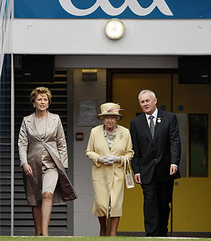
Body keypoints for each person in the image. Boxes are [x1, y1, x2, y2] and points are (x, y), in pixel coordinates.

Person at [18, 86, 77, 236]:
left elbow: (62, 143)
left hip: (52, 164)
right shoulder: (27, 120)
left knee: (47, 194)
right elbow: (22, 143)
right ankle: (38, 234)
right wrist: (24, 163)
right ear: (34, 102)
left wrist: (63, 166)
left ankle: (45, 234)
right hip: (32, 164)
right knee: (35, 200)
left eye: (45, 99)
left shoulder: (55, 119)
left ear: (49, 103)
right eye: (39, 99)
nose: (42, 102)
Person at [130, 89, 181, 237]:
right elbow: (135, 149)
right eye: (142, 102)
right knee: (150, 205)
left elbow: (175, 142)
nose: (145, 104)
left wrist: (174, 162)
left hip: (166, 169)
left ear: (155, 100)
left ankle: (162, 235)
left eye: (147, 101)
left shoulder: (170, 118)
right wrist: (137, 170)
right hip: (146, 171)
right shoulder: (135, 122)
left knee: (163, 205)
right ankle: (151, 236)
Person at [86, 102, 134, 236]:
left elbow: (130, 153)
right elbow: (89, 151)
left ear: (117, 118)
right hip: (100, 172)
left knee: (115, 204)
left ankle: (113, 234)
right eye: (107, 117)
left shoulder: (125, 132)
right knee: (101, 204)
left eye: (113, 117)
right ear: (102, 119)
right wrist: (100, 158)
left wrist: (119, 159)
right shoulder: (95, 131)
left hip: (117, 172)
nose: (109, 120)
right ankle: (103, 229)